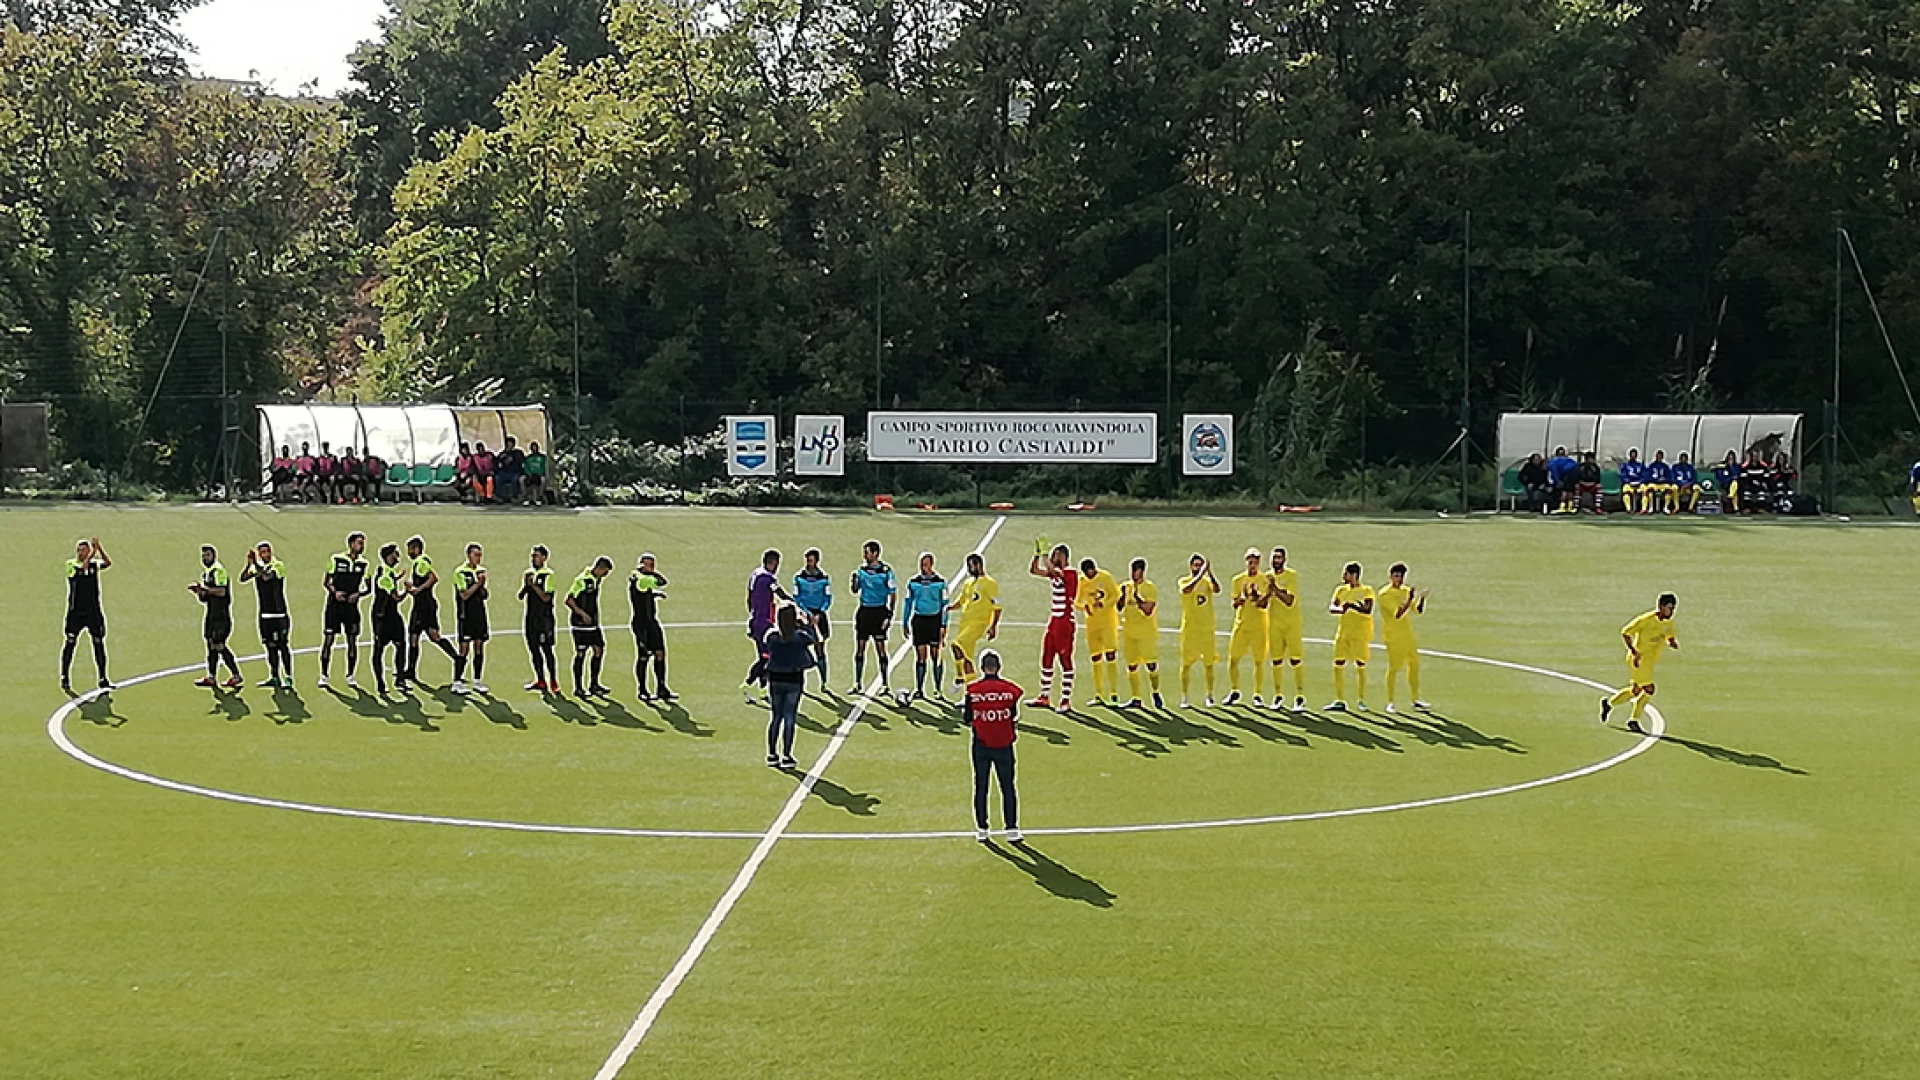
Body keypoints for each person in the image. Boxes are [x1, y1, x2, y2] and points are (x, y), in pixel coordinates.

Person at [963, 648, 1022, 843]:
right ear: (999, 667)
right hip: (1004, 743)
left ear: (982, 668)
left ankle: (982, 828)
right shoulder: (1009, 690)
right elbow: (1013, 714)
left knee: (981, 786)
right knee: (1008, 787)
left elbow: (967, 718)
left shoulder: (972, 691)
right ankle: (1012, 828)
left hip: (981, 743)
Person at [1601, 593, 1678, 734]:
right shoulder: (1646, 620)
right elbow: (1625, 632)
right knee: (1649, 689)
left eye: (1673, 609)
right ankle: (1633, 720)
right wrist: (1634, 651)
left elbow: (1669, 634)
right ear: (1660, 607)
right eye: (1668, 608)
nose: (1671, 612)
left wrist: (1670, 641)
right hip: (1638, 660)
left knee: (1635, 691)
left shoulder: (1668, 622)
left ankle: (1609, 703)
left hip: (1649, 662)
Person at [403, 535, 462, 687]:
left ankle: (456, 658)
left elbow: (433, 577)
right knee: (430, 636)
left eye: (410, 549)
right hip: (427, 605)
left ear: (416, 549)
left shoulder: (421, 561)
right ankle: (456, 657)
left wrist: (418, 590)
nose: (408, 552)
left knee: (416, 636)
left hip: (423, 606)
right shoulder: (420, 562)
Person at [763, 603, 816, 770]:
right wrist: (806, 623)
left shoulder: (771, 636)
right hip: (794, 679)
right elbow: (813, 638)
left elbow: (767, 642)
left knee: (775, 717)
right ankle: (786, 755)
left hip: (775, 678)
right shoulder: (799, 637)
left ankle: (771, 754)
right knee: (789, 717)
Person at [1026, 542, 1079, 711]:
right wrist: (1037, 555)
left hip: (1065, 622)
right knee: (1046, 657)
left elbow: (1053, 570)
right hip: (1054, 620)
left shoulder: (1070, 572)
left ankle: (1065, 699)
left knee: (1065, 659)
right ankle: (1044, 695)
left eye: (1055, 555)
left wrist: (1044, 554)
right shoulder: (1056, 573)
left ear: (1063, 556)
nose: (1052, 558)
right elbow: (1034, 570)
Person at [1375, 563, 1429, 713]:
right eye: (1396, 575)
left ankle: (1415, 699)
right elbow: (1398, 614)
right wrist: (1409, 598)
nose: (1399, 579)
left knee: (1414, 665)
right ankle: (1390, 701)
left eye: (1401, 576)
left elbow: (1417, 611)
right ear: (1390, 576)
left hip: (1407, 634)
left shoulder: (1405, 591)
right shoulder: (1384, 594)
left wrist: (1421, 599)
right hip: (1392, 635)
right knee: (1394, 667)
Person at [60, 537, 112, 692]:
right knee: (70, 643)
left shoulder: (94, 564)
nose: (81, 552)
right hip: (75, 612)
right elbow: (82, 569)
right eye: (79, 550)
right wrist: (92, 553)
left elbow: (108, 563)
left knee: (98, 643)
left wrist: (100, 549)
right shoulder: (70, 564)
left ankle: (103, 677)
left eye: (84, 550)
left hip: (93, 612)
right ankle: (65, 676)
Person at [319, 532, 370, 690]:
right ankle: (324, 675)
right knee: (328, 640)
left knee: (352, 641)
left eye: (363, 543)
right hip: (334, 606)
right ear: (351, 544)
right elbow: (326, 582)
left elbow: (369, 588)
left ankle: (350, 675)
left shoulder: (364, 564)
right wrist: (335, 592)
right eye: (359, 543)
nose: (362, 546)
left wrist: (358, 594)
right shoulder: (336, 559)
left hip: (351, 608)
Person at [189, 545, 243, 689]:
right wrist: (199, 593)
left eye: (207, 555)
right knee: (210, 645)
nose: (205, 558)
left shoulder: (219, 571)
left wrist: (204, 589)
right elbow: (205, 598)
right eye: (203, 556)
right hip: (211, 615)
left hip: (221, 616)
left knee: (219, 645)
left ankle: (236, 675)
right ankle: (211, 677)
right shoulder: (206, 574)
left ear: (214, 556)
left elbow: (221, 592)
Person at [241, 541, 293, 688]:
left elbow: (267, 576)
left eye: (267, 551)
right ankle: (274, 676)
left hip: (279, 614)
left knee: (282, 646)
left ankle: (288, 677)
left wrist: (255, 564)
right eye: (262, 552)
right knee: (270, 646)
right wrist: (249, 564)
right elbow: (243, 578)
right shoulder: (256, 567)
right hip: (264, 615)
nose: (266, 554)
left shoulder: (278, 566)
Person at [948, 552, 1002, 688]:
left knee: (956, 644)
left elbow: (997, 606)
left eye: (971, 566)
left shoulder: (990, 583)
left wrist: (993, 626)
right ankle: (969, 690)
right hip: (964, 624)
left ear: (978, 565)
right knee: (967, 658)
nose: (969, 569)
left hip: (978, 624)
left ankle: (960, 677)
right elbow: (961, 601)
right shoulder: (968, 583)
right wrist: (949, 607)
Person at [1326, 561, 1374, 712]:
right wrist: (1340, 609)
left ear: (1354, 575)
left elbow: (1367, 610)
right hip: (1343, 633)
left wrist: (1352, 606)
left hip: (1360, 634)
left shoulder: (1366, 590)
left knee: (1360, 664)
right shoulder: (1340, 590)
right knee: (1338, 663)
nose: (1343, 576)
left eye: (1346, 573)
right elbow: (1331, 607)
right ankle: (1339, 700)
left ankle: (1361, 700)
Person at [850, 541, 896, 694]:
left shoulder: (886, 571)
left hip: (879, 612)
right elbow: (855, 591)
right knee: (860, 649)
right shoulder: (861, 570)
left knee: (880, 649)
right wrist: (854, 583)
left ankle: (885, 683)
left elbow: (892, 594)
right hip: (864, 612)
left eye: (867, 552)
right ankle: (857, 683)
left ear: (875, 554)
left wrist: (889, 615)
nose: (865, 555)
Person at [1225, 547, 1269, 706]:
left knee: (1258, 661)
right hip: (1241, 624)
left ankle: (1257, 694)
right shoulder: (1237, 580)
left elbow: (1263, 604)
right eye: (1250, 562)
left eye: (1255, 563)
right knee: (1233, 659)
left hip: (1259, 626)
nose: (1252, 565)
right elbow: (1234, 603)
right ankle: (1234, 690)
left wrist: (1255, 596)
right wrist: (1242, 598)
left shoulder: (1264, 580)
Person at [1075, 557, 1122, 706]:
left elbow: (1116, 595)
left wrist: (1104, 603)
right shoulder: (1081, 581)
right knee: (1095, 657)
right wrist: (1084, 607)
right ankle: (1099, 694)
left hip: (1108, 623)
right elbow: (1076, 601)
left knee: (1110, 655)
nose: (1091, 574)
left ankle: (1114, 693)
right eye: (1088, 573)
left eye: (1092, 571)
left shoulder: (1105, 577)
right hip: (1092, 624)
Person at [565, 556, 615, 697]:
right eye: (605, 572)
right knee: (581, 653)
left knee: (598, 649)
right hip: (580, 624)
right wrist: (582, 614)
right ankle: (578, 687)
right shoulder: (581, 580)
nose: (605, 575)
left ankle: (594, 684)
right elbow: (568, 600)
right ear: (599, 568)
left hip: (593, 624)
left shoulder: (595, 579)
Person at [1264, 546, 1305, 712]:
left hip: (1291, 624)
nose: (1276, 561)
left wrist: (1274, 589)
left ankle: (1299, 697)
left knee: (1295, 660)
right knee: (1276, 661)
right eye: (1274, 557)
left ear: (1284, 560)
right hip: (1274, 624)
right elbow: (1262, 603)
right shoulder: (1266, 577)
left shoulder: (1291, 576)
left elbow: (1289, 600)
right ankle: (1278, 695)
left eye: (1279, 558)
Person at [1118, 557, 1163, 709]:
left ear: (1142, 572)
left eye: (1135, 571)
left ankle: (1155, 692)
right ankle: (1136, 698)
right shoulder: (1125, 586)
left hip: (1146, 634)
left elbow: (1148, 611)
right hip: (1129, 633)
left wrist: (1137, 598)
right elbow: (1118, 608)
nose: (1132, 574)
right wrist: (1123, 596)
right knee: (1131, 665)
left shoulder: (1150, 588)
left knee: (1151, 664)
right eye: (1131, 570)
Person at [1176, 553, 1220, 708]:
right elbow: (1187, 590)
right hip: (1190, 629)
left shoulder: (1207, 582)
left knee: (1209, 663)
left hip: (1206, 629)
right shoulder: (1184, 581)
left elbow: (1217, 589)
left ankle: (1209, 695)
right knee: (1186, 664)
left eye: (1200, 565)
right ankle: (1185, 697)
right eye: (1195, 565)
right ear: (1190, 566)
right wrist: (1200, 575)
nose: (1198, 568)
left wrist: (1210, 574)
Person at [744, 549, 787, 702]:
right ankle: (747, 684)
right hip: (764, 624)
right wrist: (790, 601)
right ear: (772, 563)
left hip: (755, 620)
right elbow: (778, 592)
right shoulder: (768, 578)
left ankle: (762, 690)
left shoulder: (754, 574)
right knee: (766, 658)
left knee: (763, 656)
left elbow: (748, 598)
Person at [629, 553, 674, 701]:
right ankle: (642, 690)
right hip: (641, 624)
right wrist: (653, 574)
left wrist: (654, 595)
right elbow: (662, 581)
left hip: (651, 622)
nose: (652, 568)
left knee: (660, 653)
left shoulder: (641, 579)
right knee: (643, 656)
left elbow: (644, 592)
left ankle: (662, 688)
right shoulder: (641, 578)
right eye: (649, 565)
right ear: (641, 564)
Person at [369, 543, 408, 695]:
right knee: (379, 650)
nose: (397, 555)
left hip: (391, 615)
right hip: (382, 618)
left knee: (401, 645)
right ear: (389, 556)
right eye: (395, 553)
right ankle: (381, 683)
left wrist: (398, 577)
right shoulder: (385, 575)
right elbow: (396, 597)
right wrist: (408, 591)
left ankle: (399, 678)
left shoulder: (386, 572)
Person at [451, 543, 489, 694]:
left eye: (480, 555)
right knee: (464, 648)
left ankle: (477, 680)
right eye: (475, 555)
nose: (478, 558)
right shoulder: (460, 572)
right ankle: (457, 681)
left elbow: (485, 595)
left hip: (479, 613)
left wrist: (483, 586)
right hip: (465, 614)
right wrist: (478, 584)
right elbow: (464, 595)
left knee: (479, 646)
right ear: (468, 555)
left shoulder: (481, 571)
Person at [520, 545, 559, 694]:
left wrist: (533, 585)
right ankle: (540, 680)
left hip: (544, 619)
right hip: (530, 617)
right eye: (532, 556)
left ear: (544, 558)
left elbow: (546, 597)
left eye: (536, 555)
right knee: (534, 650)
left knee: (547, 650)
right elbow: (521, 596)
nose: (533, 558)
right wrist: (526, 585)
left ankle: (553, 681)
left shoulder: (548, 575)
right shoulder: (529, 573)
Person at [792, 547, 833, 685]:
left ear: (817, 561)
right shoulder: (798, 578)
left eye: (810, 560)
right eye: (807, 560)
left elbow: (827, 599)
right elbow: (796, 598)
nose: (807, 563)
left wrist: (820, 613)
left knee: (820, 649)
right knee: (799, 649)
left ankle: (824, 681)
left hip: (819, 616)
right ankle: (799, 681)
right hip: (804, 616)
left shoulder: (824, 579)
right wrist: (807, 614)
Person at [1546, 445, 1578, 513]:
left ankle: (1562, 507)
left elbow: (1554, 472)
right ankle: (1570, 507)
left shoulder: (1553, 462)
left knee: (1565, 491)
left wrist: (1557, 481)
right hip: (1572, 474)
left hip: (1567, 475)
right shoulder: (1569, 460)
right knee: (1570, 490)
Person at [495, 436, 525, 505]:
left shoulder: (518, 452)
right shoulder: (502, 453)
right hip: (505, 472)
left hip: (514, 472)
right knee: (498, 478)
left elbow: (521, 462)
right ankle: (499, 497)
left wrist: (512, 458)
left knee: (515, 479)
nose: (509, 445)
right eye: (507, 444)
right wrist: (502, 458)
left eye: (510, 444)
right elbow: (497, 463)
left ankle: (514, 497)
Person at [1644, 450, 1674, 516]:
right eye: (1658, 456)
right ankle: (1651, 507)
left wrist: (1664, 479)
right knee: (1649, 489)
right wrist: (1656, 480)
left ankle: (1666, 507)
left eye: (1660, 456)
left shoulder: (1665, 466)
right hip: (1654, 483)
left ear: (1662, 457)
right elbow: (1647, 477)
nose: (1659, 457)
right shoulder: (1651, 466)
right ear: (1656, 456)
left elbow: (1669, 477)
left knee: (1669, 489)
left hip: (1663, 483)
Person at [1618, 448, 1647, 515]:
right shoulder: (1625, 465)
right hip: (1629, 483)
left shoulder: (1640, 465)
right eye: (1632, 455)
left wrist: (1639, 482)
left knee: (1645, 490)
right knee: (1625, 490)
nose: (1633, 456)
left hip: (1639, 483)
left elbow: (1645, 476)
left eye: (1634, 455)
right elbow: (1622, 475)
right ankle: (1628, 509)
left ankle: (1643, 509)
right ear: (1629, 455)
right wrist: (1628, 482)